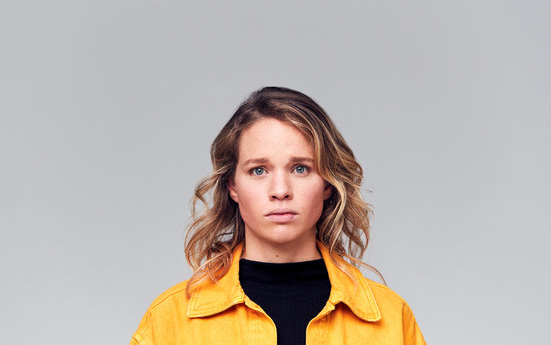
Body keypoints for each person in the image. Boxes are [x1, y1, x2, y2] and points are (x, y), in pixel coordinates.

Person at [130, 86, 426, 345]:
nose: (280, 190)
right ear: (232, 186)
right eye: (258, 170)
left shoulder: (390, 318)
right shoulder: (170, 321)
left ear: (327, 183)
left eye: (301, 168)